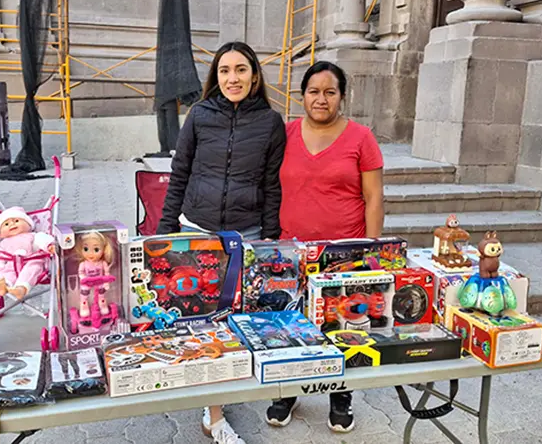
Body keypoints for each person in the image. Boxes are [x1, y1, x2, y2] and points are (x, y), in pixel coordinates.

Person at [156, 41, 286, 444]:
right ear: (216, 76)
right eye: (225, 70)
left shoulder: (271, 122)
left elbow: (271, 184)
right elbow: (179, 173)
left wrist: (270, 238)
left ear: (255, 76)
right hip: (197, 231)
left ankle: (222, 391)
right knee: (203, 318)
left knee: (235, 321)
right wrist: (164, 231)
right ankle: (214, 416)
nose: (233, 78)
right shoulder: (199, 115)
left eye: (241, 70)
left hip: (245, 234)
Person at [265, 61, 384, 433]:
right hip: (292, 252)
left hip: (345, 253)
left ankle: (340, 395)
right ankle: (286, 391)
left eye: (330, 92)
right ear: (302, 96)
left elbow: (374, 198)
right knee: (290, 323)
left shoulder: (361, 137)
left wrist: (373, 254)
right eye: (314, 92)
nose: (321, 99)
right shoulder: (284, 134)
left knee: (341, 323)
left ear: (342, 97)